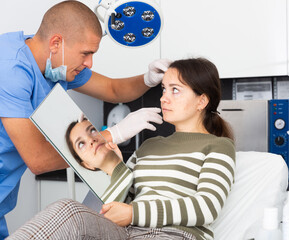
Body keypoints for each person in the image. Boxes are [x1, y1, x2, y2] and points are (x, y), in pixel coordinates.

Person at [7, 57, 236, 240]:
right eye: (164, 89)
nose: (164, 98)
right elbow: (119, 203)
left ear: (201, 101)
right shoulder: (150, 145)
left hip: (175, 234)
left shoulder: (218, 146)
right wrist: (115, 167)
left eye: (175, 90)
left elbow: (207, 206)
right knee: (69, 210)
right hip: (127, 233)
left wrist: (134, 213)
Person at [0, 1, 169, 238]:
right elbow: (38, 159)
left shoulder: (54, 65)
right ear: (56, 42)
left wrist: (148, 79)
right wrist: (112, 135)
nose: (89, 63)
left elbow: (112, 89)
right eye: (86, 53)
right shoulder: (10, 70)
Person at [65, 118, 133, 203]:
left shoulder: (140, 155)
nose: (90, 139)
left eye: (92, 130)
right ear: (87, 165)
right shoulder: (109, 201)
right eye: (81, 144)